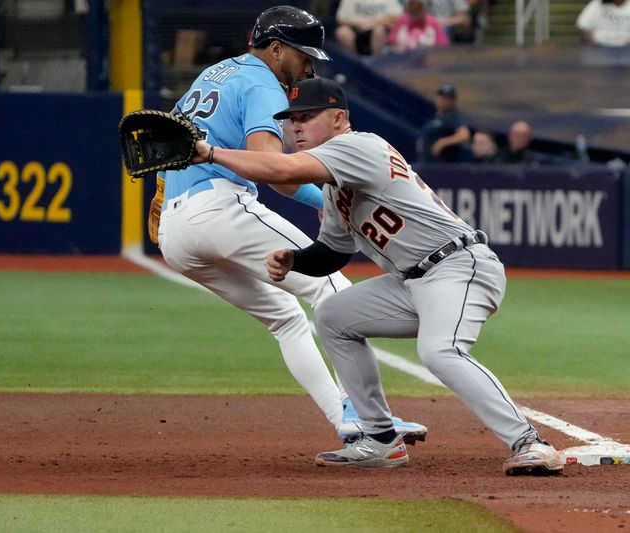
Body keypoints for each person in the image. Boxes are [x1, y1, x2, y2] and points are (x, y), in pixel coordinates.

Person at [190, 77, 565, 476]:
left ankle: (530, 442)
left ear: (338, 119)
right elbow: (334, 253)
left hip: (459, 266)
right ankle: (382, 439)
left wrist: (210, 153)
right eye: (290, 119)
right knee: (334, 316)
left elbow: (281, 169)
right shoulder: (336, 190)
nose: (295, 127)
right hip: (414, 282)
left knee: (439, 351)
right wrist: (295, 260)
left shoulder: (357, 145)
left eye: (306, 117)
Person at [153, 6, 428, 445]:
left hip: (177, 229)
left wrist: (321, 201)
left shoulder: (214, 73)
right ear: (276, 48)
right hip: (218, 207)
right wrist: (331, 201)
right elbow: (271, 168)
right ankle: (377, 422)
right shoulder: (264, 83)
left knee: (284, 317)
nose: (309, 66)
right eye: (303, 55)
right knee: (333, 289)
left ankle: (348, 420)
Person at [416, 84, 471, 163]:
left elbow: (464, 135)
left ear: (453, 101)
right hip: (426, 163)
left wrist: (442, 142)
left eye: (448, 98)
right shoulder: (437, 117)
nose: (444, 101)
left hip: (442, 165)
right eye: (441, 97)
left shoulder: (454, 116)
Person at [334, 0, 403, 56]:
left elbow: (396, 17)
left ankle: (377, 63)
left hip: (379, 30)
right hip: (356, 30)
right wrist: (360, 24)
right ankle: (353, 62)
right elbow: (341, 19)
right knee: (342, 32)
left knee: (379, 30)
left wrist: (373, 23)